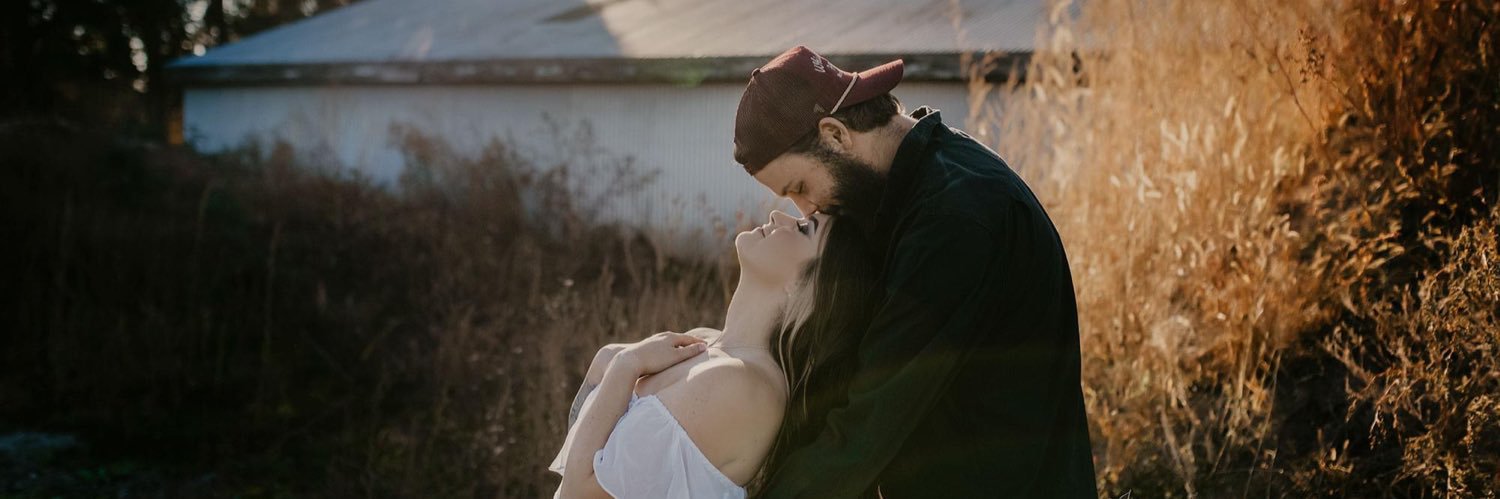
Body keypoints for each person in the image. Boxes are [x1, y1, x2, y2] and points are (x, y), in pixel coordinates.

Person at [732, 46, 1099, 498]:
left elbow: (871, 418)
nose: (809, 210)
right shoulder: (912, 186)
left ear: (834, 134)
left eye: (801, 188)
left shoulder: (956, 217)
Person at [550, 209, 883, 499]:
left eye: (803, 228)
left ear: (808, 287)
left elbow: (579, 493)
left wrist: (623, 365)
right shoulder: (703, 342)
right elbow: (579, 464)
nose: (777, 217)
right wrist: (607, 366)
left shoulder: (742, 388)